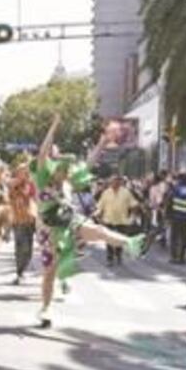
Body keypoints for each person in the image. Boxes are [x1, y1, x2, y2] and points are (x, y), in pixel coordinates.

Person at [32, 113, 146, 328]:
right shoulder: (42, 178)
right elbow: (42, 153)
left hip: (70, 221)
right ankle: (46, 308)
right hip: (49, 230)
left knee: (100, 232)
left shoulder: (68, 183)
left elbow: (89, 163)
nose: (65, 172)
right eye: (61, 168)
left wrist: (103, 142)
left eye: (66, 170)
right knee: (49, 273)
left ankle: (131, 243)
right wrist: (54, 126)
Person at [95, 174, 139, 267]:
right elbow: (100, 206)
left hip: (122, 220)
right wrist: (97, 215)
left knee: (119, 240)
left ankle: (118, 255)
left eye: (116, 181)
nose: (114, 183)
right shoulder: (106, 193)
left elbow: (134, 205)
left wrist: (133, 217)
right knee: (109, 239)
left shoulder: (126, 192)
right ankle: (110, 258)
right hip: (108, 220)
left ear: (120, 182)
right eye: (112, 181)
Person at [8, 160, 37, 285]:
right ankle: (19, 273)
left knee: (29, 250)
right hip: (18, 220)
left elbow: (35, 196)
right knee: (20, 247)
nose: (26, 173)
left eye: (27, 171)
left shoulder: (31, 184)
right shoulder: (13, 183)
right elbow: (13, 185)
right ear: (18, 173)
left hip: (30, 219)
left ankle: (22, 270)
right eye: (23, 171)